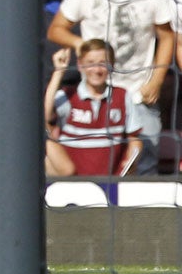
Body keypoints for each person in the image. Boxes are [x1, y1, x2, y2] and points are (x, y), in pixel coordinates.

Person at [47, 0, 174, 174]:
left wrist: (156, 80)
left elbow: (167, 36)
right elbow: (56, 30)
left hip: (139, 91)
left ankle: (142, 213)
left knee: (145, 165)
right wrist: (83, 46)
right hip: (97, 92)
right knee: (94, 164)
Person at [45, 41, 143, 176]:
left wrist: (132, 161)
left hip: (111, 184)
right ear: (80, 65)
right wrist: (59, 72)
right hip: (72, 183)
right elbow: (45, 117)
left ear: (112, 65)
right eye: (90, 63)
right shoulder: (68, 95)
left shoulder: (122, 96)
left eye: (103, 63)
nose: (97, 70)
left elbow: (134, 140)